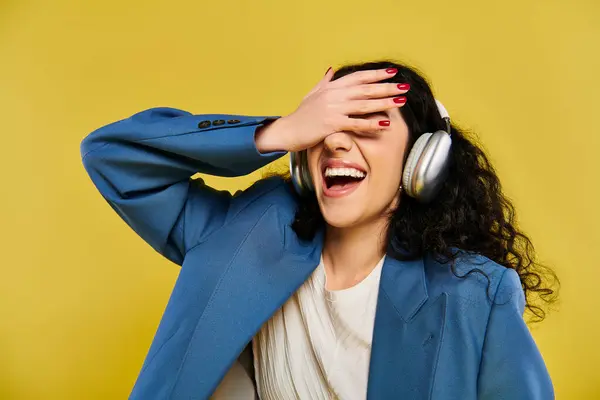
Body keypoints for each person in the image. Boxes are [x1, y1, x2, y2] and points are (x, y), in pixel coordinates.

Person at [81, 61, 557, 400]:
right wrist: (276, 133)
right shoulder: (243, 233)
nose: (334, 140)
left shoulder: (476, 292)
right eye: (326, 125)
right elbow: (111, 157)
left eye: (369, 125)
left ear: (421, 163)